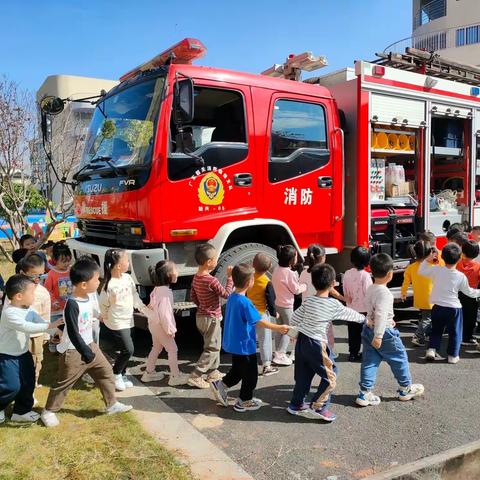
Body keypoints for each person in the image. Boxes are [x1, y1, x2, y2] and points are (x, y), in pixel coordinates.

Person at [41, 258, 132, 427]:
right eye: (96, 279)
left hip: (90, 345)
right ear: (83, 284)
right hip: (73, 351)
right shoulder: (72, 304)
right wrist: (86, 352)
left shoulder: (89, 297)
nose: (99, 282)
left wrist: (101, 317)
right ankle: (49, 411)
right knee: (64, 383)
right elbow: (74, 333)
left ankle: (111, 404)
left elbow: (93, 313)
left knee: (105, 372)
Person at [288, 264, 365, 422]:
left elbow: (294, 318)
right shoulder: (333, 304)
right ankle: (319, 406)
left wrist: (294, 330)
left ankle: (296, 404)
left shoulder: (308, 301)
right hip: (317, 344)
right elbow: (351, 315)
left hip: (302, 341)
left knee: (303, 376)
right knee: (331, 376)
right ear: (333, 284)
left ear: (313, 283)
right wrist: (366, 320)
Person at [210, 263, 289, 412]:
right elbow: (259, 321)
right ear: (249, 282)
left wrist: (230, 276)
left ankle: (220, 385)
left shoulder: (233, 296)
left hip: (235, 343)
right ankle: (244, 400)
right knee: (251, 375)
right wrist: (279, 327)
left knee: (238, 370)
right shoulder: (245, 302)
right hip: (245, 345)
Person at [356, 253, 424, 407]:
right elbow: (380, 314)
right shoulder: (385, 293)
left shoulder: (371, 288)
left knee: (369, 361)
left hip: (368, 328)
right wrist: (379, 335)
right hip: (384, 332)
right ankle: (405, 388)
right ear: (390, 274)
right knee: (399, 358)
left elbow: (373, 310)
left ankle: (365, 392)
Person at [0, 275, 63, 424]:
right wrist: (52, 326)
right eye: (32, 293)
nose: (34, 296)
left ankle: (21, 412)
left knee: (28, 383)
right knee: (10, 386)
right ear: (19, 296)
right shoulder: (9, 313)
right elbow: (27, 326)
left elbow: (40, 322)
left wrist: (54, 333)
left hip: (23, 353)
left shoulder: (28, 309)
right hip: (7, 357)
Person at [99, 249, 152, 391]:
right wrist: (104, 316)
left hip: (129, 319)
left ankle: (122, 373)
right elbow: (103, 304)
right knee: (129, 349)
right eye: (126, 260)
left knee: (126, 349)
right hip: (117, 321)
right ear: (117, 265)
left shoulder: (128, 278)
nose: (128, 263)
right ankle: (116, 373)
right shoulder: (109, 285)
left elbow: (134, 295)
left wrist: (142, 308)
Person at [421, 244, 480, 363]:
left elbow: (422, 271)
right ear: (459, 258)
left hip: (437, 306)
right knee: (455, 333)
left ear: (442, 256)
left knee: (436, 330)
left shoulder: (436, 269)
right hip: (454, 308)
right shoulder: (460, 276)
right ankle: (452, 356)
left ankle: (431, 350)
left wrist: (428, 259)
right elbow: (469, 292)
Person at [188, 243, 233, 389]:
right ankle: (196, 375)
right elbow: (226, 294)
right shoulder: (211, 280)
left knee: (213, 345)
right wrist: (230, 278)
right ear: (209, 262)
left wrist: (203, 306)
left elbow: (193, 297)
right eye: (215, 259)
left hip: (201, 317)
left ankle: (213, 372)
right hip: (212, 318)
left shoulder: (196, 277)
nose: (216, 261)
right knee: (212, 348)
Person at [141, 260, 189, 386]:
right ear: (169, 275)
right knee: (173, 349)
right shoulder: (166, 293)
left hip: (153, 324)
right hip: (162, 326)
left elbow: (152, 307)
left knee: (156, 348)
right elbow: (165, 314)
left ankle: (149, 373)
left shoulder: (157, 289)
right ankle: (175, 376)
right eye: (175, 270)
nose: (177, 273)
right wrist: (170, 329)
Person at [9, 254, 51, 387]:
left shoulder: (43, 292)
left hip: (36, 335)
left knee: (36, 362)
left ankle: (31, 387)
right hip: (18, 334)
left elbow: (45, 315)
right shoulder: (14, 291)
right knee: (16, 363)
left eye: (41, 275)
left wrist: (46, 335)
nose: (37, 279)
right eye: (33, 275)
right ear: (22, 273)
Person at [271, 245, 307, 366]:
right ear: (292, 260)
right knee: (289, 330)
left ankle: (277, 352)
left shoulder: (276, 269)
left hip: (277, 304)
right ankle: (280, 355)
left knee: (279, 329)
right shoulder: (289, 273)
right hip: (287, 306)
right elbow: (296, 290)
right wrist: (305, 286)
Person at [246, 253, 279, 376]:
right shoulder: (267, 282)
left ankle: (248, 363)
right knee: (265, 340)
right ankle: (266, 365)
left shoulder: (249, 277)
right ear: (270, 266)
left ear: (253, 264)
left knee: (250, 339)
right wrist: (274, 313)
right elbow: (271, 300)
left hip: (249, 313)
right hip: (261, 315)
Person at [401, 241, 434, 347]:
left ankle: (427, 334)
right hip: (431, 297)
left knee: (426, 317)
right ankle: (418, 336)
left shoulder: (411, 267)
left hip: (420, 297)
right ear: (429, 253)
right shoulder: (432, 266)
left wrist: (403, 293)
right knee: (427, 318)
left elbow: (405, 281)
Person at [343, 247, 372, 361]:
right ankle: (366, 353)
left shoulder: (347, 273)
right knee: (365, 332)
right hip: (363, 309)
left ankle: (353, 353)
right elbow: (368, 293)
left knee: (353, 332)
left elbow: (345, 290)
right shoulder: (365, 276)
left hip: (350, 308)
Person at [456, 240, 480, 346]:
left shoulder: (457, 263)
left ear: (463, 252)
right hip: (472, 294)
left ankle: (457, 334)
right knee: (471, 317)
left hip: (458, 293)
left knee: (458, 315)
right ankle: (467, 337)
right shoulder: (477, 266)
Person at [44, 242, 73, 320]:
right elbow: (47, 291)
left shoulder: (72, 271)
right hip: (58, 310)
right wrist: (54, 302)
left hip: (71, 307)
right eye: (63, 261)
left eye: (69, 260)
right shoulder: (51, 274)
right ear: (55, 260)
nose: (67, 263)